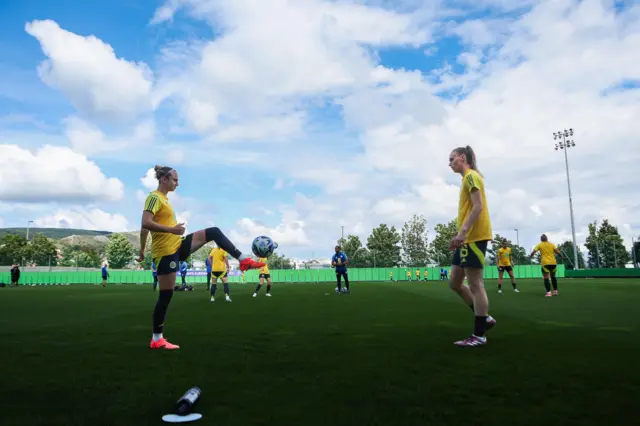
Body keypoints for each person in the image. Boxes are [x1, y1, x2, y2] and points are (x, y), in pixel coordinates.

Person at [137, 165, 265, 350]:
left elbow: (144, 229)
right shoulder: (154, 197)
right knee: (166, 296)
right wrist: (169, 231)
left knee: (213, 231)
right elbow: (145, 223)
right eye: (174, 179)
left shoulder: (165, 199)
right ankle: (157, 339)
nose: (177, 183)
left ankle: (243, 259)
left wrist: (144, 250)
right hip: (165, 253)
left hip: (177, 246)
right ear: (163, 179)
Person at [447, 146, 496, 347]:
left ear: (462, 157)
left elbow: (478, 206)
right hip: (465, 239)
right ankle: (485, 319)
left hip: (473, 238)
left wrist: (463, 233)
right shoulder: (466, 179)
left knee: (476, 285)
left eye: (452, 159)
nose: (449, 163)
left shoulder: (471, 176)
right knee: (455, 283)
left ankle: (479, 335)